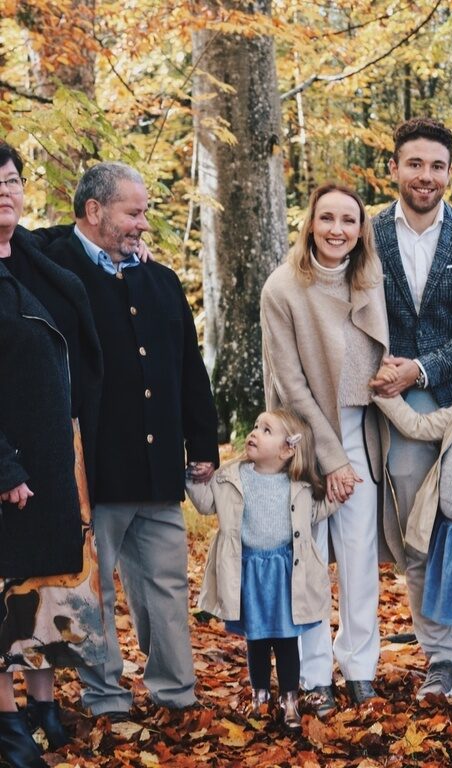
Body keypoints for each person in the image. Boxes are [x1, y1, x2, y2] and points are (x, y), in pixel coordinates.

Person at [39, 162, 219, 719]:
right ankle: (107, 697)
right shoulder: (53, 270)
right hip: (93, 470)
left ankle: (176, 693)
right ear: (94, 212)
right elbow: (18, 235)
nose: (144, 223)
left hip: (158, 467)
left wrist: (204, 443)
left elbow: (190, 369)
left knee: (166, 588)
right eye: (133, 212)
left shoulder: (160, 281)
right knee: (96, 593)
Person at [261, 183, 404, 716]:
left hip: (361, 434)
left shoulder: (368, 280)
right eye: (328, 218)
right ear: (311, 224)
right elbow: (291, 384)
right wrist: (331, 459)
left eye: (349, 219)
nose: (338, 229)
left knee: (362, 560)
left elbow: (380, 356)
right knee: (310, 561)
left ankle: (360, 667)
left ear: (361, 228)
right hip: (305, 439)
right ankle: (315, 672)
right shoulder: (283, 288)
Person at [0, 143, 105, 768]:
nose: (4, 192)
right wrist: (5, 466)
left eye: (11, 180)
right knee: (5, 592)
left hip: (54, 457)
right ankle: (7, 723)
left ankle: (43, 705)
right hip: (11, 465)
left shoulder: (36, 258)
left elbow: (90, 240)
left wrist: (128, 247)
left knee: (48, 589)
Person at [372, 117, 452, 699]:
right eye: (415, 164)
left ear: (449, 173)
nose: (425, 176)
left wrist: (424, 368)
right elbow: (310, 275)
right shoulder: (366, 232)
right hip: (397, 409)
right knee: (417, 536)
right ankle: (441, 657)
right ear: (395, 168)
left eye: (437, 166)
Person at [186, 408, 338, 731]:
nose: (254, 432)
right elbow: (204, 502)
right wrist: (190, 476)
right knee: (255, 640)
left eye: (266, 430)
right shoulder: (231, 477)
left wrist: (340, 492)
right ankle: (259, 695)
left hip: (285, 574)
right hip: (250, 574)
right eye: (255, 426)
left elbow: (318, 510)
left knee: (286, 640)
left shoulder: (298, 486)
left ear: (287, 449)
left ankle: (290, 700)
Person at [371, 366, 452, 641]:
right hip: (451, 529)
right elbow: (418, 426)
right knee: (442, 588)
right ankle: (442, 656)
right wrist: (386, 396)